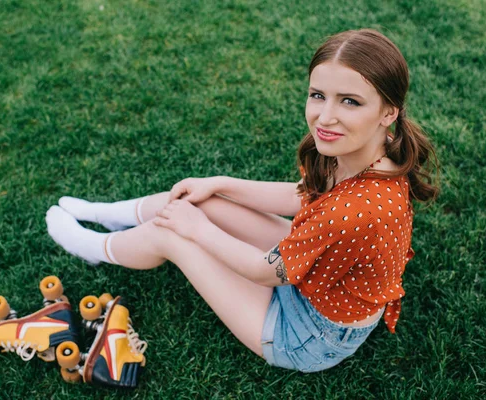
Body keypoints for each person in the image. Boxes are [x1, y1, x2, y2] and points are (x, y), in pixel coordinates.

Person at [45, 28, 439, 373]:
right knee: (204, 200)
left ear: (389, 111)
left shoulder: (355, 209)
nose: (325, 117)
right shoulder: (372, 149)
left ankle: (96, 248)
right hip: (319, 279)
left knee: (176, 235)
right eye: (318, 95)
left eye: (350, 101)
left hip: (310, 334)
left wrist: (196, 230)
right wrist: (219, 183)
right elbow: (302, 196)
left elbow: (264, 270)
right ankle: (109, 216)